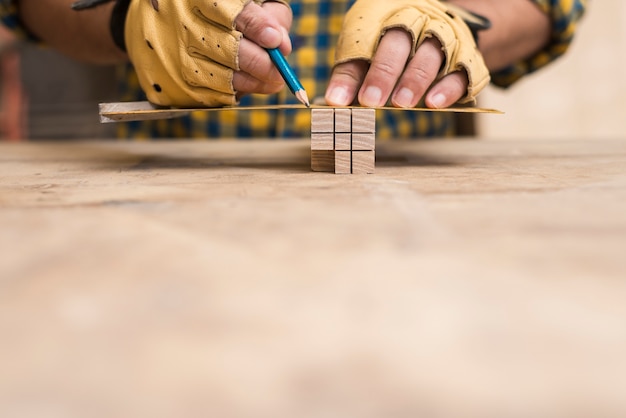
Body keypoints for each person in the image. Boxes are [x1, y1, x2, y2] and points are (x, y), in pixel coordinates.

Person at [0, 0, 586, 139]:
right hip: (167, 190)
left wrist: (457, 20)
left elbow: (553, 5)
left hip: (413, 198)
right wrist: (128, 18)